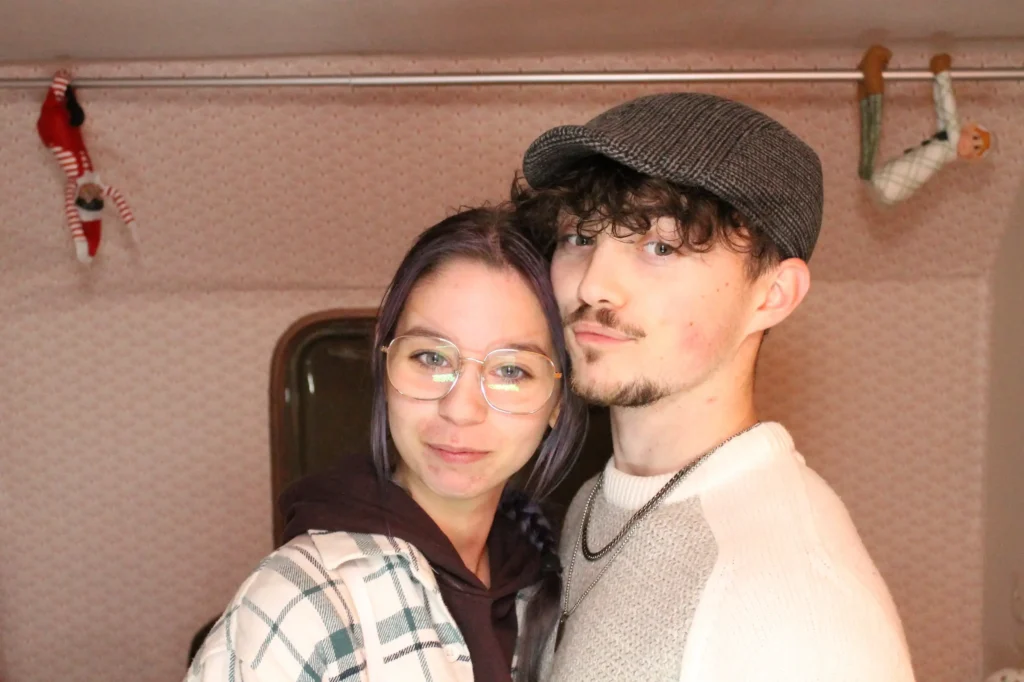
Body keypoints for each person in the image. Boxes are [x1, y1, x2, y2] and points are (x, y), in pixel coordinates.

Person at [512, 92, 917, 680]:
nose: (593, 284)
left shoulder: (799, 609)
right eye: (580, 236)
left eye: (660, 247)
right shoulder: (596, 502)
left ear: (772, 295)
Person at [185, 205, 586, 682]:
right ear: (385, 364)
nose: (460, 409)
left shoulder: (556, 584)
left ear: (558, 400)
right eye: (431, 358)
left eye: (511, 370)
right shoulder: (303, 604)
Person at [857, 46, 992, 206]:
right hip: (893, 183)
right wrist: (940, 77)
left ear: (970, 157)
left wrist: (942, 74)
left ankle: (870, 76)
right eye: (975, 138)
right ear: (969, 129)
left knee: (873, 135)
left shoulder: (951, 142)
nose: (970, 144)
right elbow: (944, 109)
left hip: (893, 183)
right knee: (871, 139)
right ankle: (867, 80)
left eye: (975, 148)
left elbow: (949, 112)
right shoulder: (948, 141)